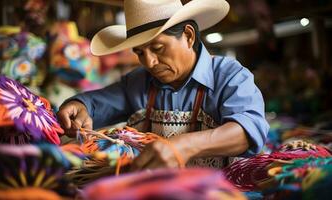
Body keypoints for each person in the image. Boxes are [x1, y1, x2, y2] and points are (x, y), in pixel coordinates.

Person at [57, 0, 269, 170]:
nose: (149, 62)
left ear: (188, 36)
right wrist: (79, 105)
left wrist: (184, 145)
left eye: (157, 48)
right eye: (139, 52)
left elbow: (248, 130)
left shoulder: (230, 77)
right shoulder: (138, 82)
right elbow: (93, 104)